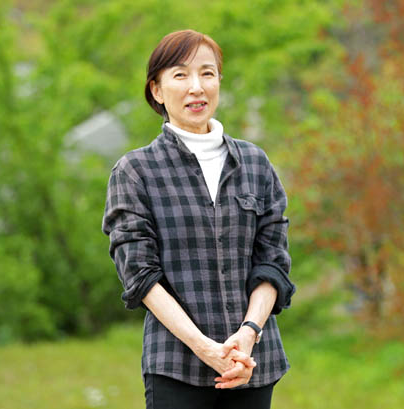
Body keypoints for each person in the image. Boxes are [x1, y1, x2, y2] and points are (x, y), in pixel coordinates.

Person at [102, 29, 295, 409]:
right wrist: (204, 347)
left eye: (207, 73)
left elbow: (273, 262)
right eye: (180, 75)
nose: (197, 87)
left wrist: (248, 333)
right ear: (157, 90)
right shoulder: (136, 171)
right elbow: (140, 275)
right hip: (176, 367)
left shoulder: (255, 163)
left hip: (252, 363)